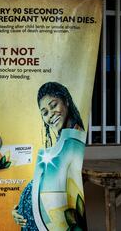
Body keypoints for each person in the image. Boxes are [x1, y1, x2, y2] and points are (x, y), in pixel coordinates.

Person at [12, 82, 87, 230]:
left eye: (53, 105)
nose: (50, 114)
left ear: (66, 101)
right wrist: (20, 207)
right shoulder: (64, 139)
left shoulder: (75, 139)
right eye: (45, 112)